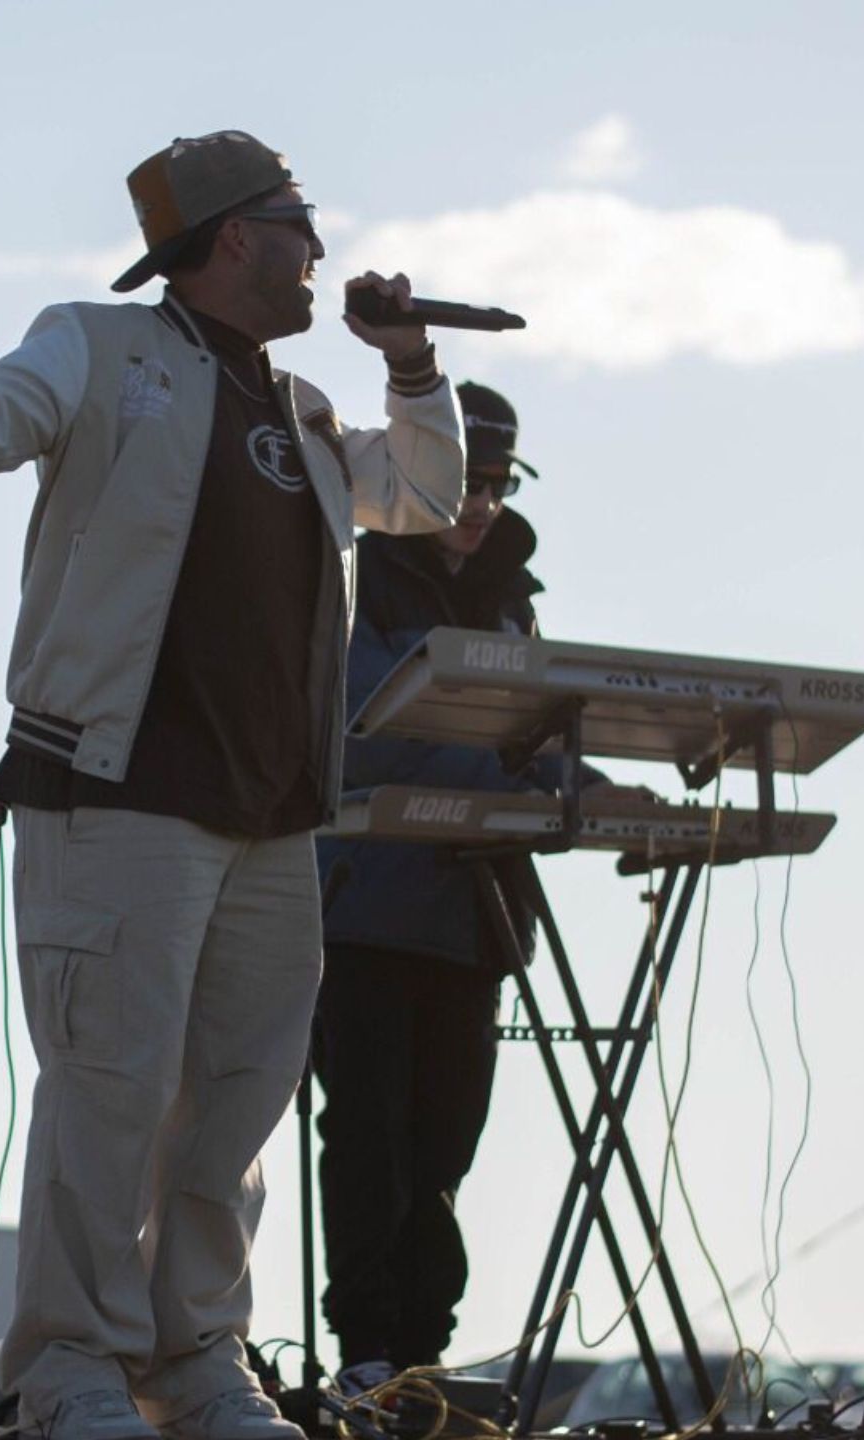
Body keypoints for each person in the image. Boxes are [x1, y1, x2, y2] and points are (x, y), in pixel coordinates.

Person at [0, 131, 465, 1440]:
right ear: (229, 239)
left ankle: (196, 1359)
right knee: (112, 1089)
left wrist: (410, 361)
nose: (322, 245)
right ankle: (72, 1374)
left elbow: (426, 494)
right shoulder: (100, 348)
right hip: (119, 788)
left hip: (271, 816)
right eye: (298, 219)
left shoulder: (307, 410)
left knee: (236, 1116)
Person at [310, 383, 563, 1396]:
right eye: (468, 481)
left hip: (475, 918)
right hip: (366, 911)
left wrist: (590, 783)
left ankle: (421, 1355)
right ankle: (365, 1355)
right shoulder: (359, 572)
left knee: (446, 1148)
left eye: (499, 485)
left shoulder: (513, 596)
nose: (482, 504)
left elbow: (540, 736)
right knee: (367, 1139)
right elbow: (371, 730)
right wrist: (522, 769)